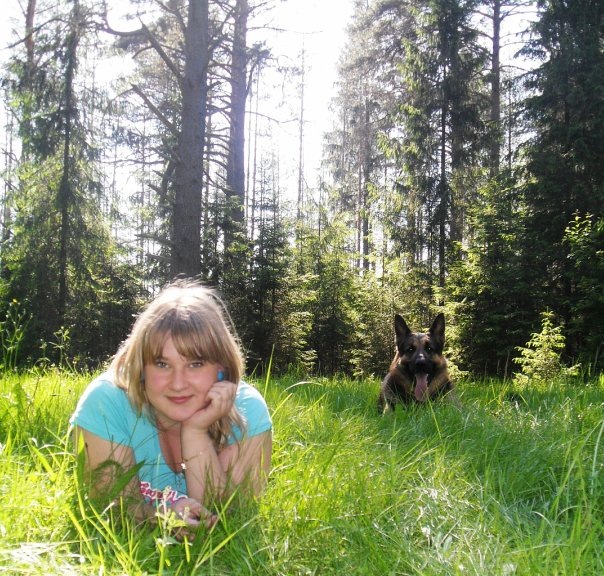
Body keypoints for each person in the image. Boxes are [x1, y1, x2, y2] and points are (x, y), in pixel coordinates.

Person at [70, 280, 272, 530]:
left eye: (195, 364)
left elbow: (229, 520)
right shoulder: (108, 403)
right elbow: (111, 508)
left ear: (222, 368)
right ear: (141, 368)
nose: (178, 384)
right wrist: (162, 519)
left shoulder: (248, 412)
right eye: (162, 364)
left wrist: (196, 431)